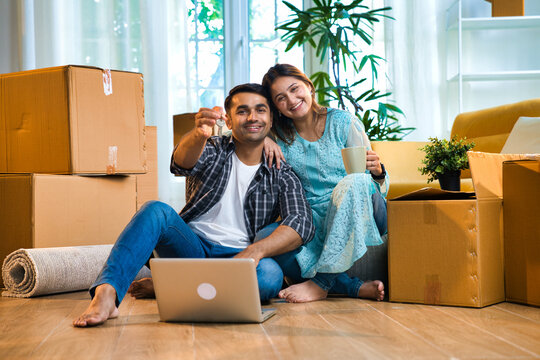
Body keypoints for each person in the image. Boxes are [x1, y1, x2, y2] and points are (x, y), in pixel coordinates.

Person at [73, 83, 315, 327]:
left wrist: (254, 251)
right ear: (229, 122)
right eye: (242, 111)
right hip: (192, 248)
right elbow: (181, 163)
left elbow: (301, 222)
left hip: (241, 256)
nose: (252, 117)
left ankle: (173, 285)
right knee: (155, 210)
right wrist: (199, 133)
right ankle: (107, 294)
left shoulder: (282, 172)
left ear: (271, 119)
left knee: (270, 277)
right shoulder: (213, 148)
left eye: (260, 110)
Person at [259, 63, 388, 303]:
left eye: (295, 89)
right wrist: (263, 140)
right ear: (276, 106)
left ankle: (322, 283)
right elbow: (235, 130)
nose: (291, 99)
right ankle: (352, 288)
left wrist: (379, 173)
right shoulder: (278, 135)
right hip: (315, 217)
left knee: (354, 181)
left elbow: (374, 185)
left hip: (363, 207)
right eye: (280, 98)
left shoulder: (343, 121)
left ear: (308, 86)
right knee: (265, 238)